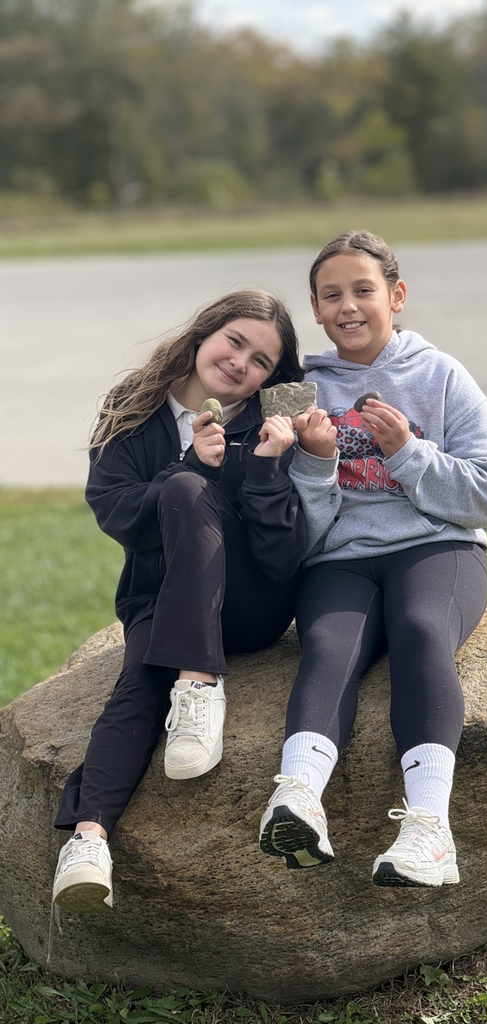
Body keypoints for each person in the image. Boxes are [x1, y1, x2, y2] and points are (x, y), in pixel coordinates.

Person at [259, 230, 487, 887]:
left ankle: (430, 832)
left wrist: (406, 451)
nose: (348, 305)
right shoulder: (295, 390)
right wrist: (316, 464)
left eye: (364, 290)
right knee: (325, 644)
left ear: (396, 296)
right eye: (331, 294)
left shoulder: (442, 374)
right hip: (338, 559)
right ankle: (297, 799)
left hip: (438, 549)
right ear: (314, 310)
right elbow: (287, 525)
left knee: (422, 630)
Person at [52, 290, 307, 914]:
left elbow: (283, 560)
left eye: (263, 361)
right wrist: (185, 465)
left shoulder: (270, 423)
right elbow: (115, 512)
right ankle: (87, 842)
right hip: (160, 600)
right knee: (137, 680)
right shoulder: (133, 408)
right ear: (204, 334)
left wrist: (269, 471)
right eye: (236, 341)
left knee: (193, 487)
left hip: (249, 609)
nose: (242, 362)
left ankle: (199, 683)